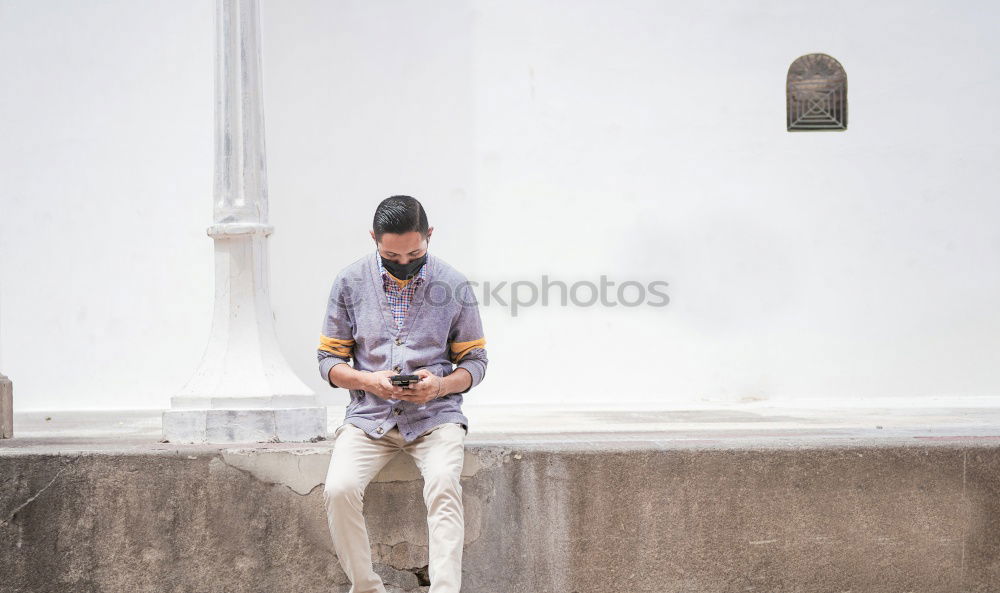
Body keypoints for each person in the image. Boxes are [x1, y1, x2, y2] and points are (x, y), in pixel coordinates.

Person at [317, 195, 488, 593]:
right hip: (369, 417)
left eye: (414, 252)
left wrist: (441, 385)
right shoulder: (349, 282)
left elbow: (475, 362)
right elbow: (329, 360)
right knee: (338, 489)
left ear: (429, 236)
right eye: (391, 255)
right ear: (374, 239)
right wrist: (368, 381)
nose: (403, 262)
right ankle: (367, 587)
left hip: (436, 417)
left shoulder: (454, 284)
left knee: (445, 482)